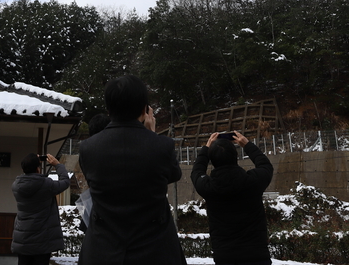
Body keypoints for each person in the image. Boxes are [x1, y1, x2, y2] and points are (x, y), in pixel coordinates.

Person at [78, 75, 186, 265]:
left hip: (102, 250)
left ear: (108, 108)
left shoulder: (88, 148)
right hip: (155, 250)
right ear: (145, 109)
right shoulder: (162, 146)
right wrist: (151, 134)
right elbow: (173, 174)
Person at [190, 131, 274, 265]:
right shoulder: (252, 181)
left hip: (225, 256)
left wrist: (206, 149)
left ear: (212, 160)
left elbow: (196, 172)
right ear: (236, 156)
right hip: (257, 255)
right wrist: (247, 145)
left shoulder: (208, 187)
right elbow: (265, 166)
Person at [11, 153, 70, 265]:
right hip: (42, 239)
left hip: (23, 237)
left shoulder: (16, 185)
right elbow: (65, 182)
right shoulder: (46, 185)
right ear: (38, 169)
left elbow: (30, 178)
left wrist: (32, 161)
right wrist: (58, 165)